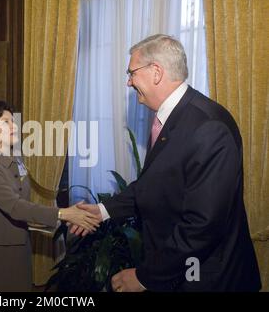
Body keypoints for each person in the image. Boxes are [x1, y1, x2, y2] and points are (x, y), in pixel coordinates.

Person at [73, 34, 261, 292]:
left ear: (156, 72)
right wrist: (103, 210)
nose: (128, 82)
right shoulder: (170, 116)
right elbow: (155, 184)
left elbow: (201, 227)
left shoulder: (209, 127)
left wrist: (144, 277)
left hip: (207, 279)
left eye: (131, 73)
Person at [0, 100, 101, 291]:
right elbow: (15, 207)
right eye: (6, 122)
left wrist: (63, 220)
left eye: (13, 121)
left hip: (20, 243)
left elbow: (24, 203)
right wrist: (64, 214)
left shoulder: (16, 158)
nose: (14, 126)